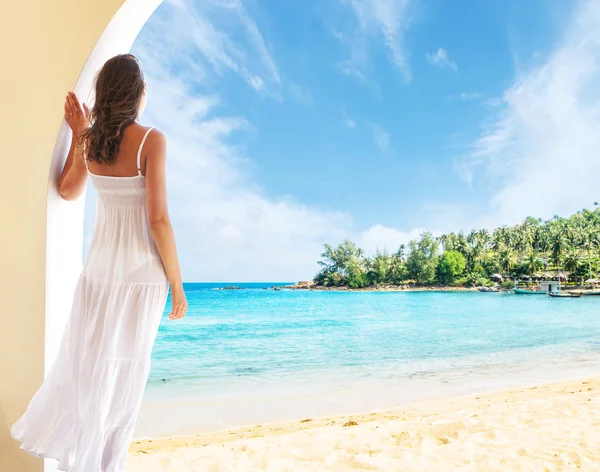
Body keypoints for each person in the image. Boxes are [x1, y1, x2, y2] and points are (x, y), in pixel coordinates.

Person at [11, 54, 187, 471]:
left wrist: (79, 134)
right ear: (137, 94)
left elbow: (68, 191)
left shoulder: (92, 141)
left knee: (91, 370)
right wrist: (177, 285)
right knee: (124, 377)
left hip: (98, 275)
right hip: (142, 277)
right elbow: (158, 219)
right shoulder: (151, 140)